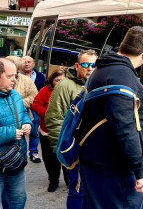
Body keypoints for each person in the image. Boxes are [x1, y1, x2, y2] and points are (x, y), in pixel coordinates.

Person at [77, 26, 143, 208]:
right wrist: (141, 170)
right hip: (115, 170)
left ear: (122, 47)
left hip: (98, 162)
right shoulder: (124, 77)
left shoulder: (102, 69)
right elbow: (124, 127)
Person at [45, 49, 97, 209]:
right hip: (75, 151)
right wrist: (65, 151)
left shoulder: (97, 84)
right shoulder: (65, 85)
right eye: (86, 64)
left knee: (90, 192)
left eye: (94, 65)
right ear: (77, 65)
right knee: (77, 190)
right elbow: (53, 119)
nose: (90, 68)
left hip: (92, 153)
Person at [0, 58, 32, 209]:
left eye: (16, 76)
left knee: (17, 202)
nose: (14, 80)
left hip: (15, 161)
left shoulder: (15, 95)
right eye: (10, 77)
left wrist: (27, 123)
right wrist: (9, 133)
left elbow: (23, 114)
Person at [32, 69, 67, 192]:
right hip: (47, 131)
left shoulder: (70, 91)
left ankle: (69, 180)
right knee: (50, 158)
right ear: (51, 81)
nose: (60, 83)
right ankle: (53, 180)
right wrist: (50, 114)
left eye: (62, 80)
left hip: (66, 132)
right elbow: (35, 105)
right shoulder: (45, 90)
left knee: (67, 157)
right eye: (57, 80)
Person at [6, 56, 41, 164]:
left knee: (32, 133)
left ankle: (31, 153)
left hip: (24, 113)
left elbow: (34, 97)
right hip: (5, 119)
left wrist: (18, 103)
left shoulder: (26, 80)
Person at [22, 56, 45, 163]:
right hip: (21, 108)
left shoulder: (40, 77)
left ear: (33, 64)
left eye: (29, 62)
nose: (27, 64)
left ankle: (33, 153)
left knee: (34, 131)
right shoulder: (17, 76)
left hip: (34, 108)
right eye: (24, 62)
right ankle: (18, 154)